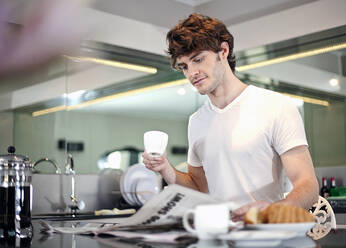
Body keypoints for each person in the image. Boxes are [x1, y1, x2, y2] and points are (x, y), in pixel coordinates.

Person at [142, 13, 319, 219]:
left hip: (264, 234)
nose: (192, 73)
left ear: (223, 51)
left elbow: (308, 186)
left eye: (198, 59)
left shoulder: (276, 106)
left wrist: (272, 212)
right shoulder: (196, 121)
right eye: (184, 67)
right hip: (217, 234)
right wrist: (165, 168)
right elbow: (199, 188)